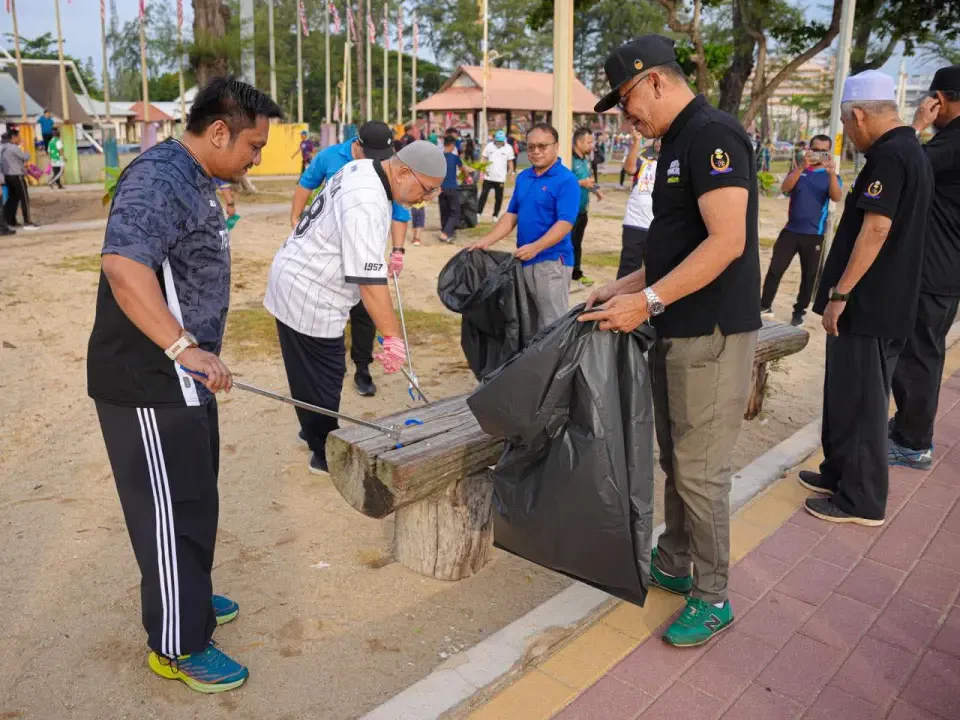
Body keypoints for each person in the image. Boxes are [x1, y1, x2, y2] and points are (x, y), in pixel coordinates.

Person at [86, 77, 283, 693]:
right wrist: (183, 347)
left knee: (195, 498)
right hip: (150, 381)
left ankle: (188, 595)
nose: (256, 157)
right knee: (170, 514)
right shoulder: (158, 177)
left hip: (184, 379)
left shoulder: (198, 178)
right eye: (253, 145)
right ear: (218, 130)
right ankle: (178, 642)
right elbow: (123, 267)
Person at [582, 35, 761, 648]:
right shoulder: (676, 142)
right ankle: (676, 557)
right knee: (679, 460)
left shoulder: (712, 135)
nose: (627, 117)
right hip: (677, 325)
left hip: (709, 332)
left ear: (655, 81)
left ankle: (712, 596)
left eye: (627, 101)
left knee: (702, 471)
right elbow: (673, 246)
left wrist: (647, 301)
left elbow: (726, 241)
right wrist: (621, 286)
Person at [800, 71, 933, 527]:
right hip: (879, 302)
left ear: (859, 114)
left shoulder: (893, 156)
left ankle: (862, 499)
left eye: (845, 124)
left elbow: (876, 229)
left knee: (862, 402)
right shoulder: (903, 150)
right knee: (845, 394)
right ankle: (838, 472)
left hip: (871, 304)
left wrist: (840, 294)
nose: (846, 134)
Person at [264, 141, 444, 473]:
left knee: (310, 373)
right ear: (403, 171)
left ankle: (312, 428)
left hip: (299, 276)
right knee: (325, 375)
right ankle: (323, 453)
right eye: (426, 189)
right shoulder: (367, 199)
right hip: (309, 292)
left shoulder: (364, 169)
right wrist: (392, 338)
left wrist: (377, 255)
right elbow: (370, 283)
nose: (426, 199)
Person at [290, 120, 408, 398]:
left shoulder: (387, 166)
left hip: (364, 247)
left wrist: (398, 250)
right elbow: (306, 184)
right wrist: (296, 218)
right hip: (331, 254)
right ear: (357, 144)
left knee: (365, 312)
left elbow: (399, 210)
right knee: (331, 313)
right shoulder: (330, 157)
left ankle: (362, 367)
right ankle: (332, 366)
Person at [887, 66, 960, 469]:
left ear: (941, 100)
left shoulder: (951, 142)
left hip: (934, 269)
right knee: (924, 353)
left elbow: (905, 166)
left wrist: (915, 125)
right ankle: (909, 428)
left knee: (918, 356)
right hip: (946, 267)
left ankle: (913, 443)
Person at [469, 123, 579, 330]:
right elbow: (511, 216)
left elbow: (565, 223)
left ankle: (555, 363)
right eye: (531, 147)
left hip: (552, 262)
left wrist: (536, 247)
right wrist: (485, 241)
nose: (536, 151)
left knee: (552, 324)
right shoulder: (524, 177)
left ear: (556, 146)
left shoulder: (566, 180)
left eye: (542, 146)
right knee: (527, 323)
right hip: (523, 260)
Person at [759, 134, 843, 326]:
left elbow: (836, 197)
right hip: (790, 231)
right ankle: (764, 305)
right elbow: (785, 187)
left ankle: (799, 311)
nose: (818, 154)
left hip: (814, 235)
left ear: (828, 153)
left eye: (823, 151)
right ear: (808, 149)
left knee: (809, 276)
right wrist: (801, 167)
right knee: (775, 269)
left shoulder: (832, 177)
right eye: (815, 149)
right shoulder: (800, 171)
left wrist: (831, 174)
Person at [619, 131, 659, 278]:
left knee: (655, 270)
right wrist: (636, 141)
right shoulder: (643, 157)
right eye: (657, 139)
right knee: (628, 269)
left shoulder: (676, 161)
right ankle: (617, 300)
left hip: (659, 225)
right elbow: (629, 169)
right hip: (635, 222)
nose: (659, 142)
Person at [571, 126, 604, 288]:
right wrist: (580, 183)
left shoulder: (585, 160)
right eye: (589, 142)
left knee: (577, 243)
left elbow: (589, 179)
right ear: (578, 142)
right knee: (568, 243)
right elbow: (563, 183)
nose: (592, 146)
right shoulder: (569, 160)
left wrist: (595, 190)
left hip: (583, 211)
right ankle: (565, 273)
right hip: (570, 212)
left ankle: (576, 273)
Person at [478, 129, 516, 221]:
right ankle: (478, 213)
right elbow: (484, 158)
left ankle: (495, 215)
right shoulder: (489, 146)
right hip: (488, 176)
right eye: (498, 140)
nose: (499, 142)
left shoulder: (508, 148)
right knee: (483, 195)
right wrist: (481, 171)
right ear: (495, 139)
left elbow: (510, 162)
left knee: (499, 198)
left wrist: (512, 172)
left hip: (500, 178)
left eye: (501, 140)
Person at [2, 128, 36, 228]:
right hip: (17, 176)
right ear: (13, 137)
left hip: (7, 176)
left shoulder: (3, 147)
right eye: (19, 137)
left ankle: (10, 220)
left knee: (13, 199)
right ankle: (27, 221)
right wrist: (25, 147)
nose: (20, 139)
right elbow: (26, 157)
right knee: (24, 199)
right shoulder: (14, 148)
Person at [437, 136, 464, 243]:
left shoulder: (439, 157)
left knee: (444, 211)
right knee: (455, 211)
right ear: (452, 145)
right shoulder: (455, 157)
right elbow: (463, 169)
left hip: (441, 187)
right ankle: (446, 233)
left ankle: (445, 231)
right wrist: (466, 175)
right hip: (452, 187)